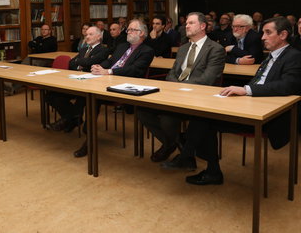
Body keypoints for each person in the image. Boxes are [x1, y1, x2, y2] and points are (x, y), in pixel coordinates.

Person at [163, 17, 301, 185]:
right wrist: (243, 93)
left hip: (273, 117)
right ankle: (197, 158)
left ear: (283, 35)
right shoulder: (272, 56)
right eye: (263, 32)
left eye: (268, 32)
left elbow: (287, 86)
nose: (262, 37)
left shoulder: (294, 56)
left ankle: (189, 154)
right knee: (204, 116)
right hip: (252, 105)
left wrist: (246, 90)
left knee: (203, 121)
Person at [137, 12, 225, 163]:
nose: (186, 25)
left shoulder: (215, 49)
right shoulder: (183, 48)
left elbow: (207, 79)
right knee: (142, 110)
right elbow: (172, 73)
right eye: (187, 23)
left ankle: (173, 147)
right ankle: (175, 144)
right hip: (175, 94)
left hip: (198, 97)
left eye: (191, 23)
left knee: (167, 119)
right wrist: (175, 87)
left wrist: (179, 87)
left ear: (203, 26)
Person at [73, 19, 155, 157]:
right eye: (128, 29)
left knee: (94, 98)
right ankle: (79, 124)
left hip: (126, 85)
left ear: (141, 33)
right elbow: (110, 61)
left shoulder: (147, 50)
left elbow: (135, 70)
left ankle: (84, 134)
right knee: (87, 93)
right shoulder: (122, 46)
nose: (128, 32)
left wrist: (109, 71)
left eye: (131, 30)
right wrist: (100, 67)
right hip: (107, 80)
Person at [46, 26, 109, 133]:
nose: (87, 37)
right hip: (75, 80)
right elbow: (71, 63)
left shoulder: (103, 50)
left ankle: (69, 119)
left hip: (90, 84)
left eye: (90, 34)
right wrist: (84, 61)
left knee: (81, 99)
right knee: (51, 95)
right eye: (86, 34)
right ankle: (73, 118)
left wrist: (81, 61)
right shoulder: (84, 49)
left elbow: (89, 63)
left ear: (99, 37)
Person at [5, 23, 57, 95]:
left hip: (44, 59)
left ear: (49, 31)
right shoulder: (39, 38)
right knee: (20, 68)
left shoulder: (52, 39)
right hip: (32, 57)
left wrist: (36, 45)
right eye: (42, 29)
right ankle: (10, 87)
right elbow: (30, 43)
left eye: (46, 29)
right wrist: (37, 45)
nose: (44, 31)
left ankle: (12, 88)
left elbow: (43, 49)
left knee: (26, 71)